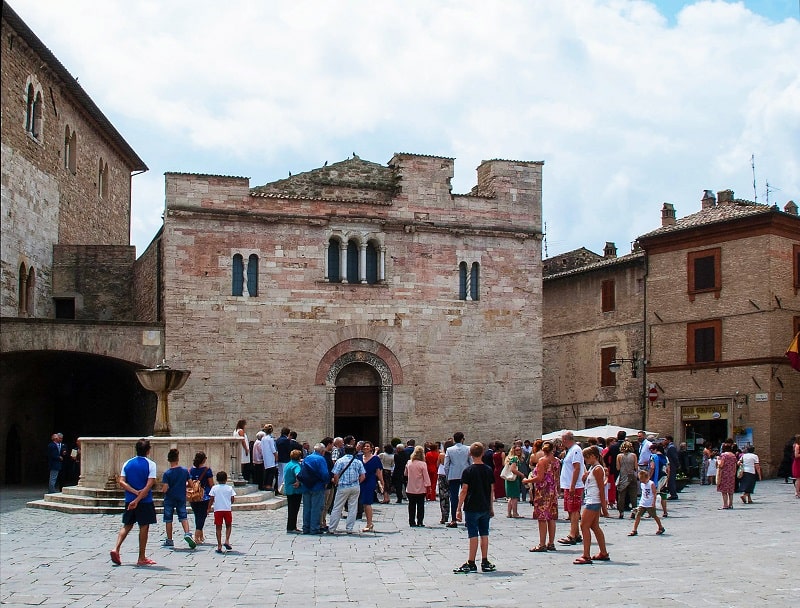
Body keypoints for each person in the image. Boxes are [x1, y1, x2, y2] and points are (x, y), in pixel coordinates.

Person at [109, 438, 158, 566]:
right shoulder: (151, 464)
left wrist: (134, 493)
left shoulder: (127, 463)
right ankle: (141, 557)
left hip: (129, 500)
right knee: (144, 526)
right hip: (145, 501)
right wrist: (139, 497)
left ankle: (116, 548)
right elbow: (149, 485)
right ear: (148, 450)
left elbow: (121, 481)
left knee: (127, 525)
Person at [453, 442, 496, 574]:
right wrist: (491, 507)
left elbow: (464, 490)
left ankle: (471, 562)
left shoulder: (468, 471)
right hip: (484, 506)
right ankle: (484, 560)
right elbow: (491, 490)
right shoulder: (489, 470)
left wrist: (458, 508)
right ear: (482, 453)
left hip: (472, 506)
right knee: (484, 533)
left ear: (470, 454)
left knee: (473, 534)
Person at [573, 446, 609, 564]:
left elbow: (601, 488)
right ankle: (603, 552)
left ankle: (586, 555)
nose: (585, 460)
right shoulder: (594, 468)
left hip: (593, 501)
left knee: (584, 526)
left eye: (587, 457)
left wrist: (604, 507)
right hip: (592, 500)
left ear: (593, 456)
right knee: (594, 527)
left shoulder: (598, 469)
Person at [525, 440, 559, 552]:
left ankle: (542, 543)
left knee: (542, 517)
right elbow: (557, 477)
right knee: (551, 517)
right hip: (553, 491)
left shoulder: (542, 461)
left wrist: (527, 480)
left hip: (543, 491)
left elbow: (539, 478)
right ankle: (551, 543)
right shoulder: (557, 461)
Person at [160, 448, 196, 549]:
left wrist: (163, 489)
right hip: (181, 496)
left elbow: (165, 488)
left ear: (169, 460)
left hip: (170, 498)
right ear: (178, 459)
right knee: (183, 516)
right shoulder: (184, 471)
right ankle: (187, 533)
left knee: (168, 519)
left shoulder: (167, 473)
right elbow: (191, 484)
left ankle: (169, 540)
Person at [328, 445, 366, 534]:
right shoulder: (358, 462)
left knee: (337, 507)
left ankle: (332, 528)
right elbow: (363, 476)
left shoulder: (340, 461)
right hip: (355, 486)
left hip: (343, 486)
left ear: (344, 451)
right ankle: (349, 528)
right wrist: (357, 483)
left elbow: (335, 475)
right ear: (353, 452)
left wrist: (337, 483)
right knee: (353, 507)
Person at [557, 431, 585, 546]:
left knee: (573, 510)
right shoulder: (571, 450)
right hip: (569, 485)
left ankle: (572, 535)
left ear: (566, 439)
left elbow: (577, 468)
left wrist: (573, 485)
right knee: (571, 509)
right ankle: (577, 534)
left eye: (563, 440)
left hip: (574, 485)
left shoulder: (575, 450)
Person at [300, 443, 330, 535]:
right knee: (316, 508)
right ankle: (314, 528)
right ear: (322, 451)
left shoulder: (307, 458)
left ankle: (306, 527)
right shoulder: (321, 459)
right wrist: (326, 482)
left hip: (306, 486)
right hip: (317, 486)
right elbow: (324, 473)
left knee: (307, 507)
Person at [444, 432, 471, 528]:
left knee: (453, 497)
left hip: (453, 474)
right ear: (462, 439)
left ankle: (453, 519)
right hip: (466, 474)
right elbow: (470, 462)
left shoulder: (449, 449)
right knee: (467, 496)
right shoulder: (468, 449)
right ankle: (468, 519)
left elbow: (446, 465)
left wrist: (447, 475)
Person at [629, 469, 665, 536]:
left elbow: (654, 493)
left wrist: (653, 503)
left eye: (643, 479)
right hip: (643, 503)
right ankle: (634, 530)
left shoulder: (651, 484)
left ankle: (660, 527)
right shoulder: (642, 484)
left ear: (647, 478)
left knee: (654, 516)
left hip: (650, 503)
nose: (642, 481)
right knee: (638, 516)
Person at [188, 451, 214, 545]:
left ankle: (200, 535)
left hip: (193, 495)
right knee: (202, 516)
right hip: (204, 496)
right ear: (204, 459)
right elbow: (211, 484)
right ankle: (196, 536)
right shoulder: (207, 470)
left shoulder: (190, 470)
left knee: (197, 515)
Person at [359, 441, 384, 532]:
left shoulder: (375, 458)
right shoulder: (359, 457)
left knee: (367, 502)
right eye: (364, 446)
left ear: (371, 448)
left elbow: (378, 472)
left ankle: (369, 523)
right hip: (359, 481)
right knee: (360, 502)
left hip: (370, 481)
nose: (366, 448)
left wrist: (382, 482)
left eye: (368, 446)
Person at [208, 470, 236, 554]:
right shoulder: (229, 488)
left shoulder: (214, 488)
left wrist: (208, 507)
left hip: (218, 510)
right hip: (227, 509)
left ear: (217, 479)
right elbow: (232, 499)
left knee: (218, 527)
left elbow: (211, 499)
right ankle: (227, 540)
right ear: (226, 479)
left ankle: (219, 545)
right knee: (228, 525)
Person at [405, 445, 431, 527]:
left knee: (411, 505)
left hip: (410, 487)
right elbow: (426, 476)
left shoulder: (409, 462)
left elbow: (405, 473)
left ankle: (411, 521)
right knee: (420, 505)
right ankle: (420, 521)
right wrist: (428, 486)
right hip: (420, 488)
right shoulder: (423, 464)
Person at [615, 441, 638, 519]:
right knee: (633, 495)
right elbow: (636, 467)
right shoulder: (634, 455)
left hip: (623, 476)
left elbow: (617, 468)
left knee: (621, 495)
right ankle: (634, 512)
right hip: (631, 476)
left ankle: (621, 512)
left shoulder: (619, 456)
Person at [284, 449, 303, 533]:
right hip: (295, 490)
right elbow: (298, 474)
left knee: (291, 509)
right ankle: (292, 527)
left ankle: (291, 526)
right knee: (294, 509)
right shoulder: (296, 465)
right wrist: (298, 482)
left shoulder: (288, 464)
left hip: (288, 489)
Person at [503, 445, 523, 518]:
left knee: (510, 497)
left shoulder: (509, 458)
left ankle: (509, 513)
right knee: (514, 497)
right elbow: (513, 469)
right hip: (513, 479)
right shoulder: (514, 459)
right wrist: (521, 474)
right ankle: (515, 513)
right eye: (517, 450)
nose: (519, 451)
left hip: (509, 479)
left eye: (519, 450)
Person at [437, 439, 454, 524]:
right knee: (453, 495)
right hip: (452, 475)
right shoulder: (453, 454)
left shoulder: (441, 455)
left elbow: (438, 464)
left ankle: (444, 516)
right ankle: (454, 515)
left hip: (442, 474)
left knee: (443, 496)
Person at [716, 443, 737, 509]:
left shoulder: (723, 455)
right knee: (730, 490)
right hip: (731, 474)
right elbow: (735, 465)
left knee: (724, 490)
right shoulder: (733, 455)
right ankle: (730, 504)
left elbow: (721, 465)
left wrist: (718, 460)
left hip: (724, 474)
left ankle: (725, 505)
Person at [260, 424, 277, 491]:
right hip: (270, 456)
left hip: (265, 456)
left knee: (267, 471)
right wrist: (276, 456)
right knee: (271, 472)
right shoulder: (270, 439)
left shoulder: (263, 438)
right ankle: (268, 485)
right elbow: (273, 449)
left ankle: (265, 484)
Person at [275, 427, 291, 493]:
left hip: (279, 459)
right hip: (286, 459)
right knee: (285, 474)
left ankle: (279, 488)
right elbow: (288, 449)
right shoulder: (286, 440)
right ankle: (283, 489)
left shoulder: (278, 440)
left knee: (280, 474)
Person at [665, 435, 680, 500]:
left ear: (669, 440)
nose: (664, 441)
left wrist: (677, 465)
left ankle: (673, 494)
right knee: (670, 480)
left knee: (671, 480)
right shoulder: (669, 447)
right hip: (670, 465)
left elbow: (675, 457)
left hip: (672, 466)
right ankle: (672, 493)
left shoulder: (671, 447)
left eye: (665, 440)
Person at [793, 434, 800, 499]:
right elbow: (796, 455)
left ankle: (797, 492)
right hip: (798, 463)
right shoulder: (797, 446)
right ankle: (797, 493)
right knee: (798, 478)